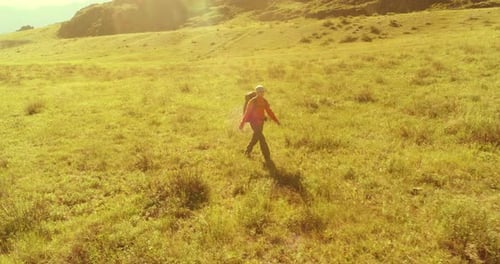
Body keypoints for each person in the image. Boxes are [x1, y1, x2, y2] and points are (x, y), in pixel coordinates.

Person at [239, 85, 280, 163]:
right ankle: (267, 157)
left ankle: (247, 150)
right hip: (253, 122)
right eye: (259, 92)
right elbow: (247, 114)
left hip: (261, 122)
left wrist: (276, 121)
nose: (261, 93)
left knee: (256, 137)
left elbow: (269, 112)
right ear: (256, 92)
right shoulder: (252, 101)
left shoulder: (264, 101)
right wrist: (242, 124)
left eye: (262, 92)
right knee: (262, 138)